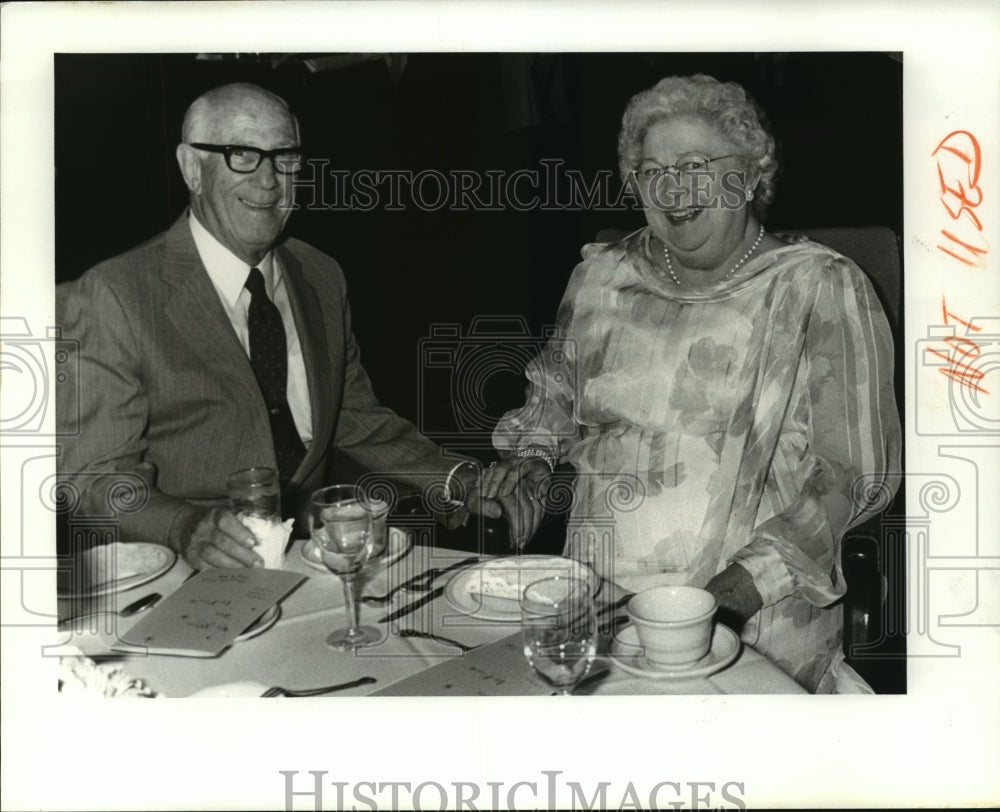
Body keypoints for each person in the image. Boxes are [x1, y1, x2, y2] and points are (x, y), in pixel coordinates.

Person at [483, 74, 901, 692]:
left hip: (751, 617)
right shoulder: (601, 279)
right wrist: (531, 460)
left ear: (753, 175)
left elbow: (854, 476)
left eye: (694, 165)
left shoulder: (821, 287)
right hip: (594, 601)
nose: (671, 190)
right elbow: (552, 399)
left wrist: (733, 593)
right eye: (650, 172)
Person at [57, 82, 503, 570]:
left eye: (285, 156)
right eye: (241, 154)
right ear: (191, 168)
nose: (269, 180)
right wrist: (185, 527)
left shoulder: (319, 274)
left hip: (316, 558)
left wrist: (460, 478)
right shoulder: (116, 293)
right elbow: (93, 477)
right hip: (186, 570)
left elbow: (353, 419)